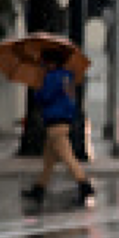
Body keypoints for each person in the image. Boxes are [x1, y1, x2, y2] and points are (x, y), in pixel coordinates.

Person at [24, 47, 96, 208]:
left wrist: (38, 86)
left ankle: (85, 186)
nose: (43, 64)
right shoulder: (67, 78)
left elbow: (43, 97)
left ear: (52, 63)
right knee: (48, 161)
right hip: (63, 121)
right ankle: (39, 189)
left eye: (45, 62)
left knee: (68, 158)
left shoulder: (52, 78)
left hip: (55, 123)